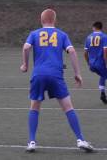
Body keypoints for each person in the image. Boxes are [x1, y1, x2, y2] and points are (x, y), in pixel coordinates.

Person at [20, 9, 94, 153]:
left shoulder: (34, 34)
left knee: (34, 107)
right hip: (56, 75)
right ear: (55, 20)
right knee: (68, 108)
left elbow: (26, 47)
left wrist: (25, 65)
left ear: (41, 20)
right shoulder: (62, 34)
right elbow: (72, 51)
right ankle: (80, 139)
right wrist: (77, 73)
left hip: (39, 74)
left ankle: (31, 142)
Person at [84, 21, 107, 106]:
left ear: (94, 27)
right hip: (101, 63)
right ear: (101, 28)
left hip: (92, 64)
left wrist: (88, 63)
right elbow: (105, 51)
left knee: (103, 75)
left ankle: (102, 93)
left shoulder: (89, 37)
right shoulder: (104, 37)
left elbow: (85, 53)